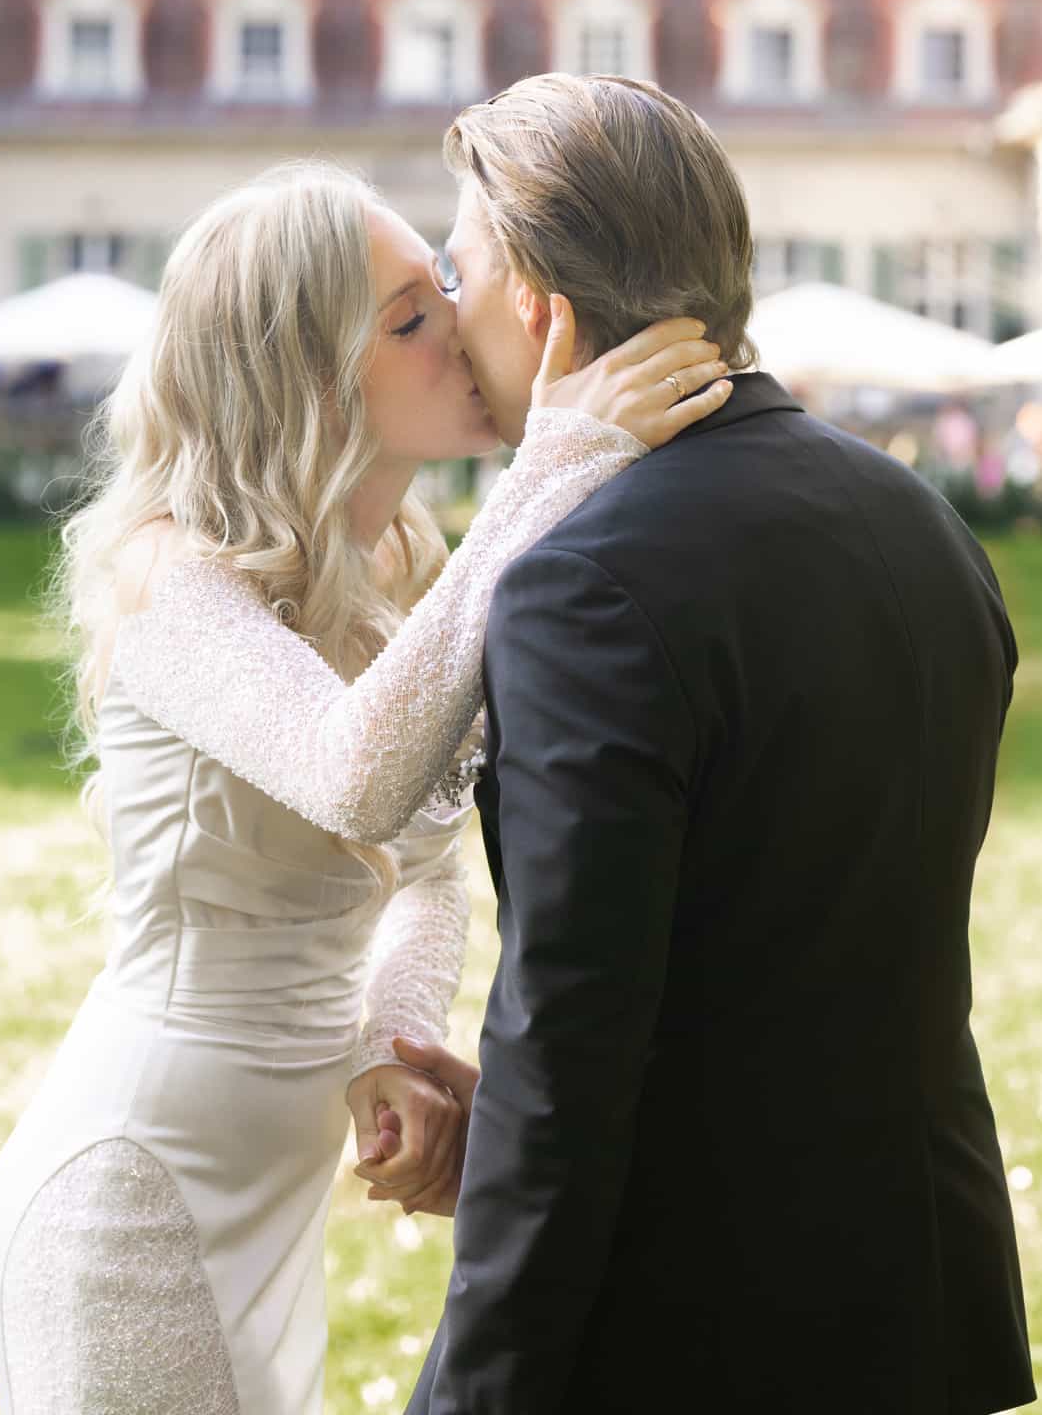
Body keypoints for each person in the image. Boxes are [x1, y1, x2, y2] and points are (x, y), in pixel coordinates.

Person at [0, 159, 732, 1415]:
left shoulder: (394, 566)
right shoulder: (171, 574)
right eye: (409, 319)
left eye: (442, 288)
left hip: (272, 1198)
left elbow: (427, 867)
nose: (460, 328)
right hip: (131, 1204)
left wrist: (391, 1042)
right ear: (306, 376)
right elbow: (356, 778)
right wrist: (553, 467)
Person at [389, 74, 1036, 1415]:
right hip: (918, 1300)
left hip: (688, 1326)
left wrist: (475, 1390)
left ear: (539, 307)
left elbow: (573, 1042)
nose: (449, 315)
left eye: (458, 273)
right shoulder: (920, 525)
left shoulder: (581, 585)